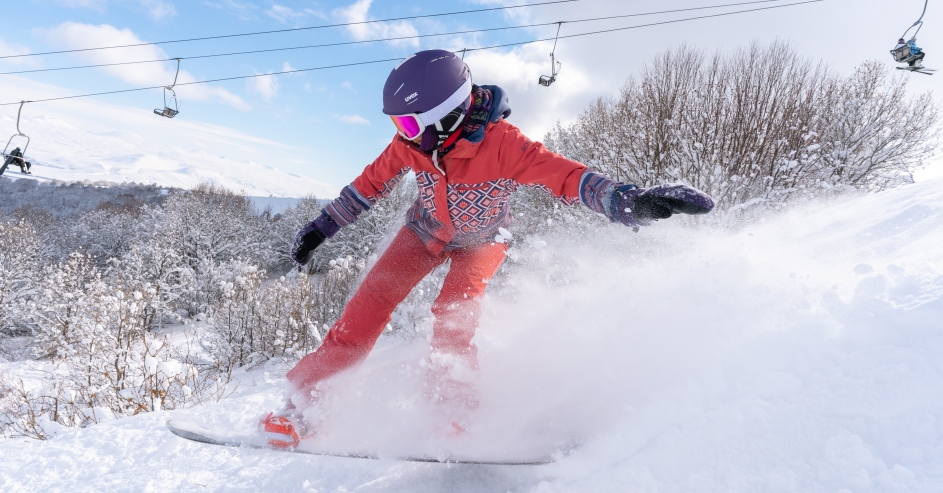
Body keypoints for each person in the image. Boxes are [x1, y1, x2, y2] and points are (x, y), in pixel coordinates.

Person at [262, 49, 714, 448]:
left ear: (447, 115)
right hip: (424, 232)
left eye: (407, 122)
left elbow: (567, 177)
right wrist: (323, 228)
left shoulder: (504, 145)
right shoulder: (412, 144)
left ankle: (453, 416)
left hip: (482, 242)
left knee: (452, 321)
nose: (401, 133)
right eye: (397, 123)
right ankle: (306, 407)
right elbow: (369, 185)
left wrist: (626, 201)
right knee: (367, 305)